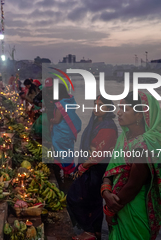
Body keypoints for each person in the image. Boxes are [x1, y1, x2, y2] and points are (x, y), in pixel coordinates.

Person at [101, 91, 161, 240]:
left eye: (125, 109)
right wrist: (105, 191)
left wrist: (110, 209)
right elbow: (111, 171)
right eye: (119, 108)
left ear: (140, 115)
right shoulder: (124, 139)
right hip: (117, 202)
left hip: (133, 209)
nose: (119, 113)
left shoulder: (144, 146)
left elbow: (133, 186)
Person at [67, 95, 118, 240]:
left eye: (101, 105)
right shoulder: (96, 122)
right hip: (91, 166)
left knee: (76, 198)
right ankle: (95, 233)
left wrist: (83, 167)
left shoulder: (108, 127)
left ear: (108, 108)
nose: (97, 108)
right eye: (95, 104)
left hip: (96, 169)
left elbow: (99, 153)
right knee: (92, 201)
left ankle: (89, 231)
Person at [50, 83, 81, 177]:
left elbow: (57, 120)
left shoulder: (61, 104)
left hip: (62, 132)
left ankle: (65, 174)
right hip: (69, 131)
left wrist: (51, 120)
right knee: (67, 151)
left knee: (61, 151)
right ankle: (68, 173)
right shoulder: (70, 100)